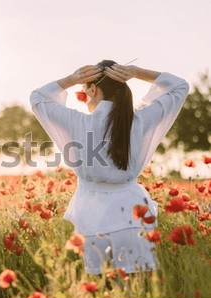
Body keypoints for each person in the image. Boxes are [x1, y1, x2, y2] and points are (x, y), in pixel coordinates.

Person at [29, 60, 189, 274]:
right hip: (134, 217)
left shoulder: (78, 122)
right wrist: (137, 72)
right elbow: (180, 87)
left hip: (94, 219)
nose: (84, 98)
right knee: (138, 293)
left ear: (93, 89)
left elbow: (37, 98)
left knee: (103, 292)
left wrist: (72, 79)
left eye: (84, 92)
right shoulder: (139, 121)